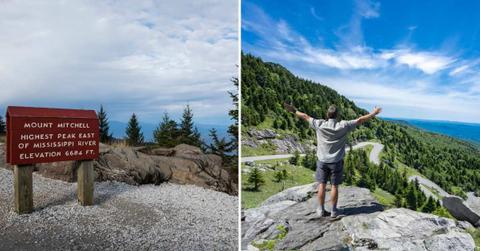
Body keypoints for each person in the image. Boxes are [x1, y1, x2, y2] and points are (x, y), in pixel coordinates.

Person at [284, 103, 382, 218]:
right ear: (337, 115)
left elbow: (305, 116)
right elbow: (360, 120)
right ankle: (334, 211)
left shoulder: (319, 124)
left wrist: (294, 110)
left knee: (322, 185)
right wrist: (374, 113)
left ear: (327, 114)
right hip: (336, 162)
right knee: (334, 186)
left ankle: (320, 209)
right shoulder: (344, 125)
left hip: (322, 161)